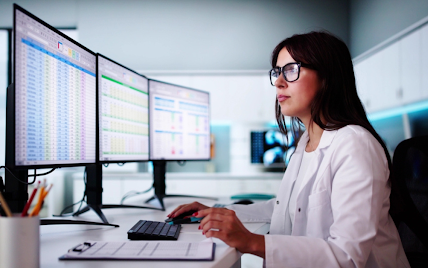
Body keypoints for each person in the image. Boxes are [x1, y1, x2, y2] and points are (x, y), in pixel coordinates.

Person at [167, 31, 410, 268]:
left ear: (327, 77)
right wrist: (219, 212)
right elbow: (284, 207)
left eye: (291, 70)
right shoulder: (306, 143)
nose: (279, 82)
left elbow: (347, 257)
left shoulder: (355, 145)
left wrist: (252, 242)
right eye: (277, 72)